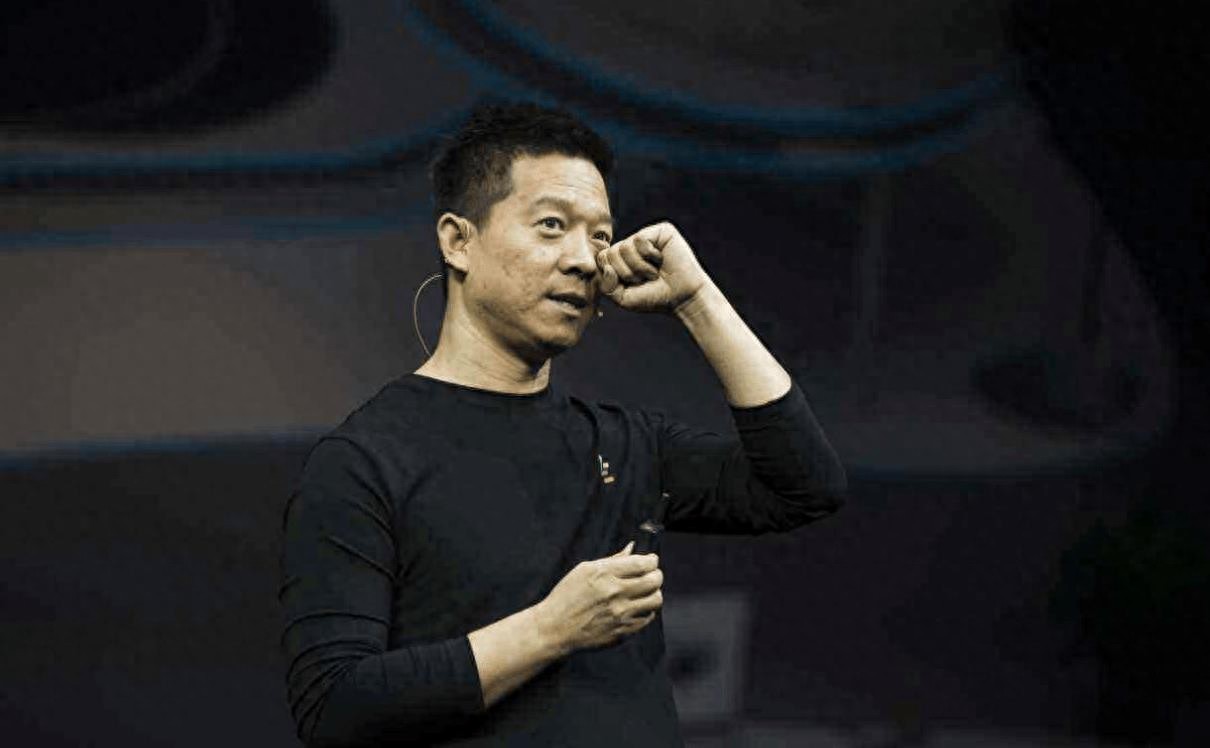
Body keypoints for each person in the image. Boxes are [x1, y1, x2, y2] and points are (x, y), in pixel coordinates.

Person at [278, 101, 848, 747]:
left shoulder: (624, 445)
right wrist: (553, 628)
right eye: (552, 226)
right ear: (458, 241)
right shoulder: (365, 461)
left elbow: (804, 485)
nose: (583, 259)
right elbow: (335, 705)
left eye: (600, 236)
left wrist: (696, 301)